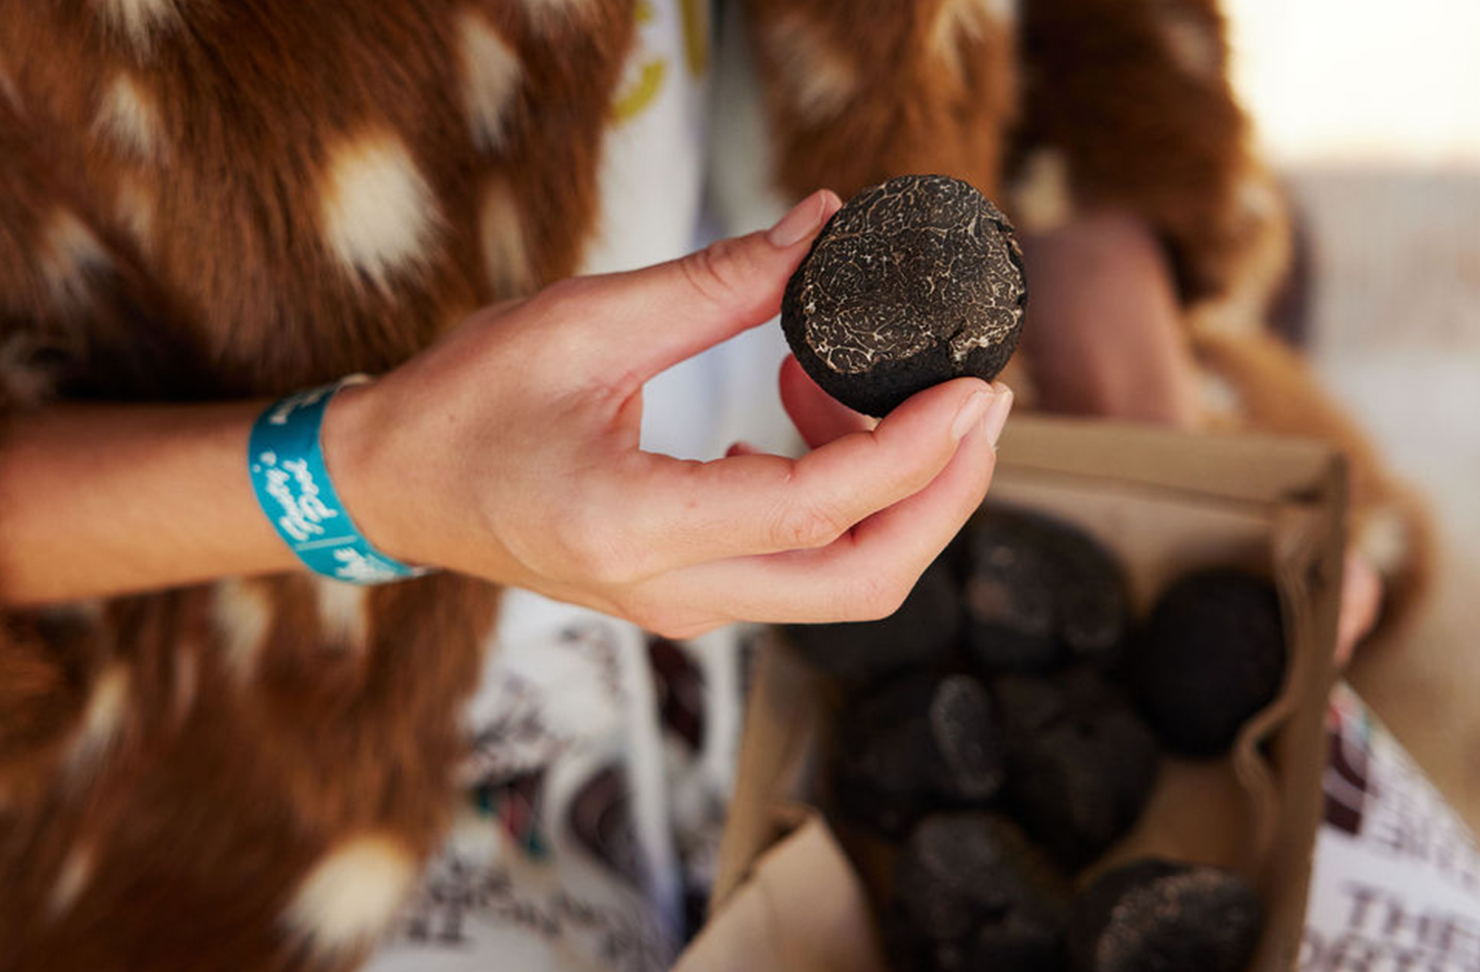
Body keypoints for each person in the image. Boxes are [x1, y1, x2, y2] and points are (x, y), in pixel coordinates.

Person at [0, 1, 1419, 969]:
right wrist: (358, 481)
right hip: (269, 728)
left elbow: (1083, 46)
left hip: (934, 517)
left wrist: (1143, 419)